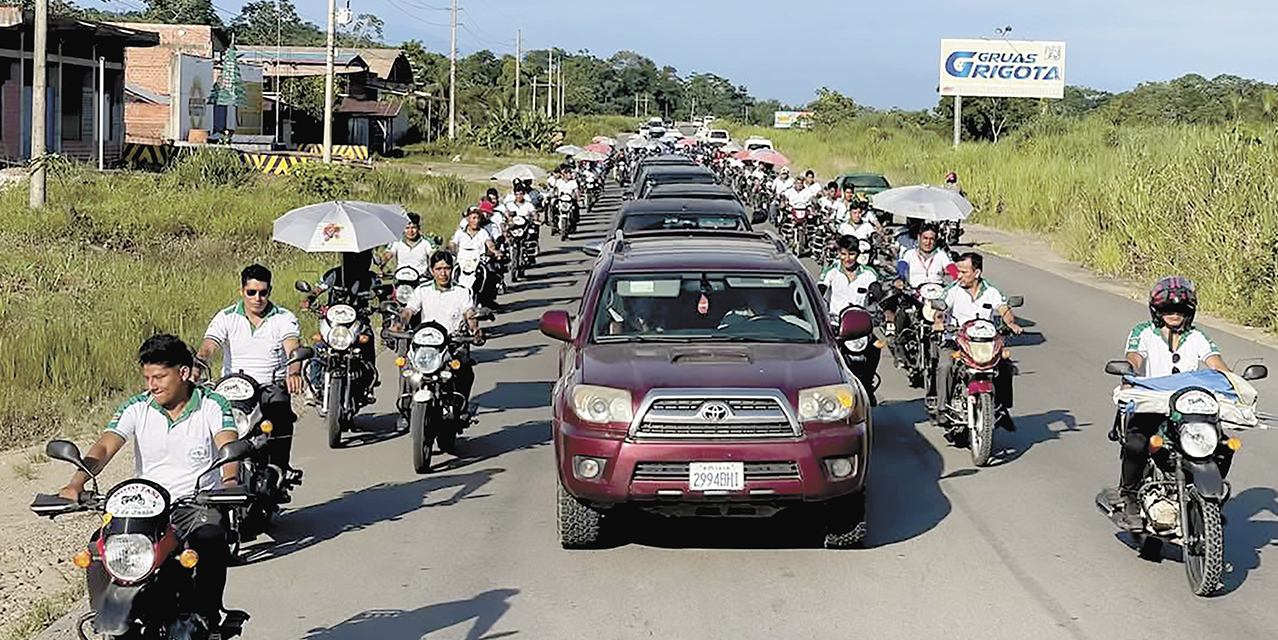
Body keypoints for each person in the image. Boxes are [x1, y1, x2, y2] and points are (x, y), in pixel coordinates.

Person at [58, 335, 238, 635]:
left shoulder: (212, 404)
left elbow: (227, 446)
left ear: (183, 372)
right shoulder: (137, 407)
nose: (152, 385)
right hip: (145, 507)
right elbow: (104, 447)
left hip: (196, 503)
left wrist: (230, 482)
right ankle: (106, 618)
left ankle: (208, 616)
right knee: (98, 548)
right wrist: (76, 482)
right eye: (147, 377)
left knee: (211, 537)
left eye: (159, 377)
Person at [1112, 277, 1229, 529]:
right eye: (1168, 310)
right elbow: (1135, 358)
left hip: (1188, 409)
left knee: (1223, 445)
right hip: (1151, 404)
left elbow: (1216, 364)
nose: (1174, 314)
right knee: (1136, 443)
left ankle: (1210, 501)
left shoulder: (1197, 336)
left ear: (1190, 312)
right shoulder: (1142, 332)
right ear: (1157, 311)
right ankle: (1129, 498)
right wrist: (1130, 372)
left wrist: (1234, 383)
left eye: (1180, 310)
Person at [197, 264, 303, 475]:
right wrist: (199, 363)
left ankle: (280, 469)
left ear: (269, 292)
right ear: (241, 291)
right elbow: (209, 345)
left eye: (263, 293)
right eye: (251, 292)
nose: (257, 298)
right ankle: (210, 475)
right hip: (233, 388)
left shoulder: (283, 317)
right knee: (205, 420)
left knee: (281, 412)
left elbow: (293, 347)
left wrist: (294, 372)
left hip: (269, 386)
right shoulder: (226, 317)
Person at [931, 252, 1024, 429]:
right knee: (946, 365)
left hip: (984, 343)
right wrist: (939, 322)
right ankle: (943, 409)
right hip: (955, 340)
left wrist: (1011, 323)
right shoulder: (952, 289)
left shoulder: (991, 291)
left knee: (1005, 366)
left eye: (964, 272)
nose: (959, 275)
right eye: (958, 271)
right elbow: (940, 309)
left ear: (977, 273)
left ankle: (1002, 409)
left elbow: (1004, 310)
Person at [398, 251, 481, 427]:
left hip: (452, 342)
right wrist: (400, 323)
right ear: (432, 270)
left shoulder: (462, 291)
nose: (443, 273)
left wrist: (474, 327)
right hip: (426, 343)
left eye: (447, 268)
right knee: (407, 368)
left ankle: (461, 408)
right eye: (438, 269)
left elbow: (469, 312)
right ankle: (405, 409)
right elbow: (410, 309)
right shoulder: (422, 290)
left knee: (465, 369)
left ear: (453, 270)